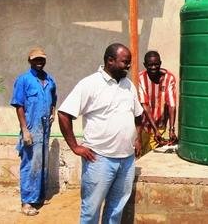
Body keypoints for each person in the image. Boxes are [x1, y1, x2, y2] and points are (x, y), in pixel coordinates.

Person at [57, 43, 143, 224]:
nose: (129, 66)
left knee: (116, 209)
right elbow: (64, 114)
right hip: (99, 160)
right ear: (110, 61)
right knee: (91, 209)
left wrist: (137, 139)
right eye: (125, 62)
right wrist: (75, 147)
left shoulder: (128, 85)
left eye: (129, 62)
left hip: (126, 159)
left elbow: (138, 115)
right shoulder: (89, 84)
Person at [10, 47, 57, 216]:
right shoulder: (24, 80)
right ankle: (27, 202)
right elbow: (19, 105)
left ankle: (37, 197)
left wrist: (53, 114)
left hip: (45, 129)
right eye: (36, 59)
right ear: (29, 60)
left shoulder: (49, 80)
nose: (39, 62)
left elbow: (54, 98)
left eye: (42, 59)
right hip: (31, 128)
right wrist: (24, 129)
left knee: (42, 163)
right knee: (30, 164)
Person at [138, 50, 177, 154]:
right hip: (144, 128)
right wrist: (154, 130)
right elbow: (144, 105)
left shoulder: (169, 78)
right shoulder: (140, 78)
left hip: (160, 128)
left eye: (156, 64)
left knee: (156, 156)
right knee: (141, 156)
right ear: (145, 65)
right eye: (150, 65)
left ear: (160, 63)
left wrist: (171, 129)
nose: (154, 67)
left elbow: (172, 105)